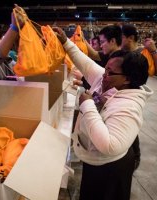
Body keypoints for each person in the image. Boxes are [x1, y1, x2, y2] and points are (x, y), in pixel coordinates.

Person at [54, 27, 153, 200]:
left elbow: (109, 145)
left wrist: (87, 105)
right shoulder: (109, 80)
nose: (104, 75)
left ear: (128, 79)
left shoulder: (129, 107)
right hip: (96, 160)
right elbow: (85, 63)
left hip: (112, 166)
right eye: (105, 69)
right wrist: (65, 41)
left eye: (110, 72)